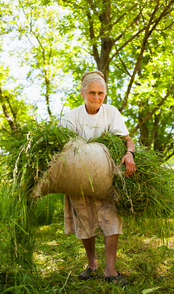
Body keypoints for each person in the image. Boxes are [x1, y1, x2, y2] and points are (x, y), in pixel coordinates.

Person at [61, 70, 136, 286]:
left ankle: (110, 270)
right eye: (92, 92)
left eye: (101, 93)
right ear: (83, 93)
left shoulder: (111, 112)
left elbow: (127, 140)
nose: (96, 98)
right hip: (79, 177)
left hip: (106, 175)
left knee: (111, 218)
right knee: (85, 221)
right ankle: (92, 264)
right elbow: (63, 149)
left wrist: (130, 153)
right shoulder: (71, 117)